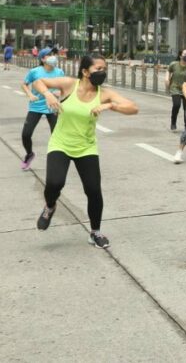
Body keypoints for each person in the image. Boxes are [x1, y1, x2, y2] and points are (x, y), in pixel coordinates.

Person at [33, 54, 138, 249]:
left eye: (104, 69)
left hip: (86, 147)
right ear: (84, 71)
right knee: (55, 183)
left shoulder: (103, 93)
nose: (102, 72)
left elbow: (133, 108)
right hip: (61, 144)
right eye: (98, 69)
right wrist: (47, 94)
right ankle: (50, 206)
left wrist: (110, 105)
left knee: (93, 190)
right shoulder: (68, 85)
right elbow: (38, 81)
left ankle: (95, 232)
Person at [19, 48, 65, 170]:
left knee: (56, 136)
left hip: (53, 107)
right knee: (26, 134)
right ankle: (29, 154)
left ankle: (56, 161)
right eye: (49, 55)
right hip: (36, 107)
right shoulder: (35, 71)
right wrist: (29, 94)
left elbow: (64, 88)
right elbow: (24, 84)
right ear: (42, 59)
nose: (53, 57)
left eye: (53, 54)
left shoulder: (59, 72)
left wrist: (59, 93)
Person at [165, 48, 186, 132]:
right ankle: (173, 122)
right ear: (180, 56)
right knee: (176, 105)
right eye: (184, 54)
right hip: (175, 87)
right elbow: (168, 71)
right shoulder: (174, 64)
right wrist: (167, 79)